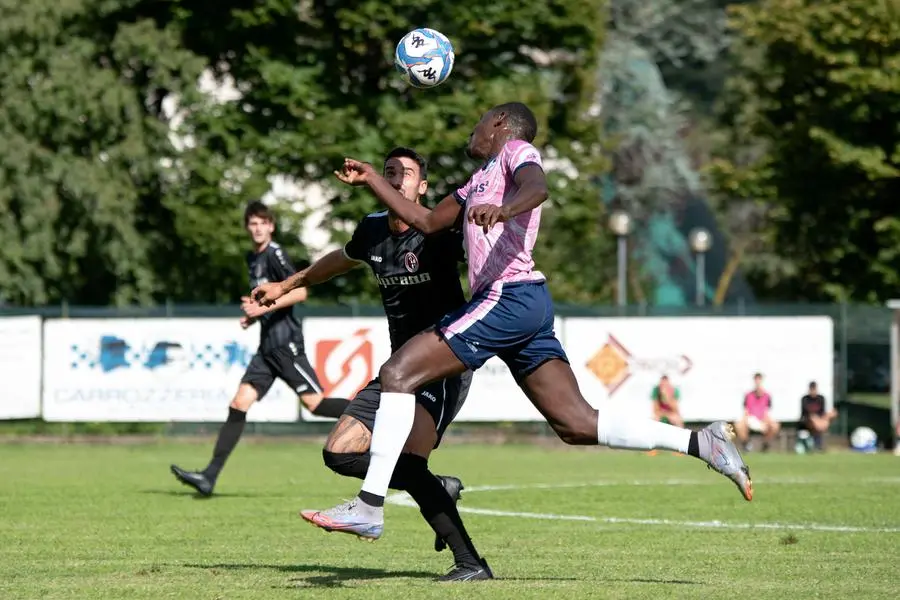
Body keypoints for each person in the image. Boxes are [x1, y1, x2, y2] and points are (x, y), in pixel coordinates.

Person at [299, 102, 753, 556]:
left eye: (478, 121)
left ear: (498, 124)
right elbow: (424, 221)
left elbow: (538, 187)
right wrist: (373, 180)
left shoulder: (515, 151)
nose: (472, 131)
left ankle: (369, 506)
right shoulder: (476, 180)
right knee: (575, 424)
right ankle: (698, 441)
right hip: (527, 306)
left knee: (398, 372)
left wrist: (505, 209)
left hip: (507, 296)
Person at [253, 147, 490, 581]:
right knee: (339, 454)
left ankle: (471, 564)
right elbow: (337, 263)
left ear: (423, 187)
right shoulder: (372, 230)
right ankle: (441, 491)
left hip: (444, 364)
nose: (397, 178)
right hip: (397, 370)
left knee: (411, 467)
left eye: (407, 173)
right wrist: (285, 285)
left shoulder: (440, 230)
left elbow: (488, 259)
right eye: (389, 172)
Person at [170, 201, 350, 496]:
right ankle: (209, 477)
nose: (257, 228)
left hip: (285, 344)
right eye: (252, 223)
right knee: (239, 404)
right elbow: (265, 304)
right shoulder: (252, 259)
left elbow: (301, 291)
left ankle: (374, 413)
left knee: (315, 405)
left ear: (271, 226)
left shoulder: (275, 253)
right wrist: (252, 315)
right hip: (266, 349)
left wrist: (261, 307)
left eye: (262, 223)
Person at [734, 372, 781, 452]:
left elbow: (767, 412)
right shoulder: (748, 395)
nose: (758, 383)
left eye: (759, 380)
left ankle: (765, 444)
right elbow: (746, 412)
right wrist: (746, 421)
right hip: (750, 419)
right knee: (738, 425)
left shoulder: (767, 395)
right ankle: (746, 444)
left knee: (775, 426)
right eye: (756, 380)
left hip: (762, 420)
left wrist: (764, 422)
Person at [798, 381, 837, 451]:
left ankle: (817, 445)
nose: (813, 391)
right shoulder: (805, 399)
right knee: (815, 421)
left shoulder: (821, 398)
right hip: (807, 421)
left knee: (825, 419)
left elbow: (822, 413)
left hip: (819, 421)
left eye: (814, 389)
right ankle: (817, 445)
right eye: (811, 389)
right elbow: (806, 413)